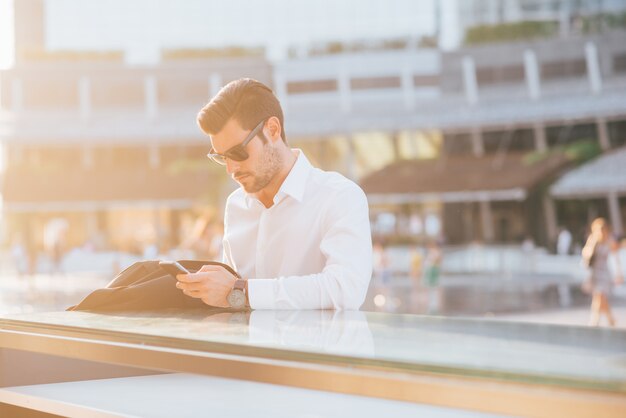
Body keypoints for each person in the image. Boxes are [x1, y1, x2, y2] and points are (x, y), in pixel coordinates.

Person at [175, 78, 372, 310]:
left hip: (314, 347)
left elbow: (345, 289)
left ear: (273, 130)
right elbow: (231, 300)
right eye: (222, 157)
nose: (231, 169)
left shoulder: (339, 196)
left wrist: (240, 290)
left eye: (238, 153)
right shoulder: (235, 205)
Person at [581, 218, 624, 327]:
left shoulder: (609, 240)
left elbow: (616, 256)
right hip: (595, 272)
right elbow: (585, 254)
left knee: (600, 295)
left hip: (604, 272)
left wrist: (619, 273)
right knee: (599, 296)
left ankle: (595, 319)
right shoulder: (593, 240)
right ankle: (609, 319)